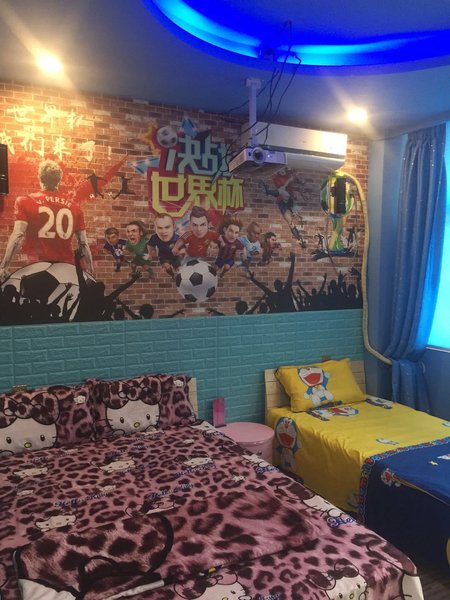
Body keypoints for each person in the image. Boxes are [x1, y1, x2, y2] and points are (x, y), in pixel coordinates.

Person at [0, 159, 94, 281]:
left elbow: (18, 235)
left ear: (40, 178)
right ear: (59, 180)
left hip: (37, 268)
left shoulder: (25, 201)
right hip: (66, 269)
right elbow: (83, 243)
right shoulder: (75, 207)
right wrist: (91, 272)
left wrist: (4, 266)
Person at [147, 213, 180, 278]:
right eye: (160, 228)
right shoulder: (154, 238)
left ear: (174, 227)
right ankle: (172, 275)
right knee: (166, 267)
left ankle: (179, 276)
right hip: (164, 256)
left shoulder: (178, 238)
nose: (163, 231)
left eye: (167, 227)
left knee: (179, 269)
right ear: (155, 229)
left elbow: (184, 249)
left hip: (175, 256)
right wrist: (150, 254)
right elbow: (150, 245)